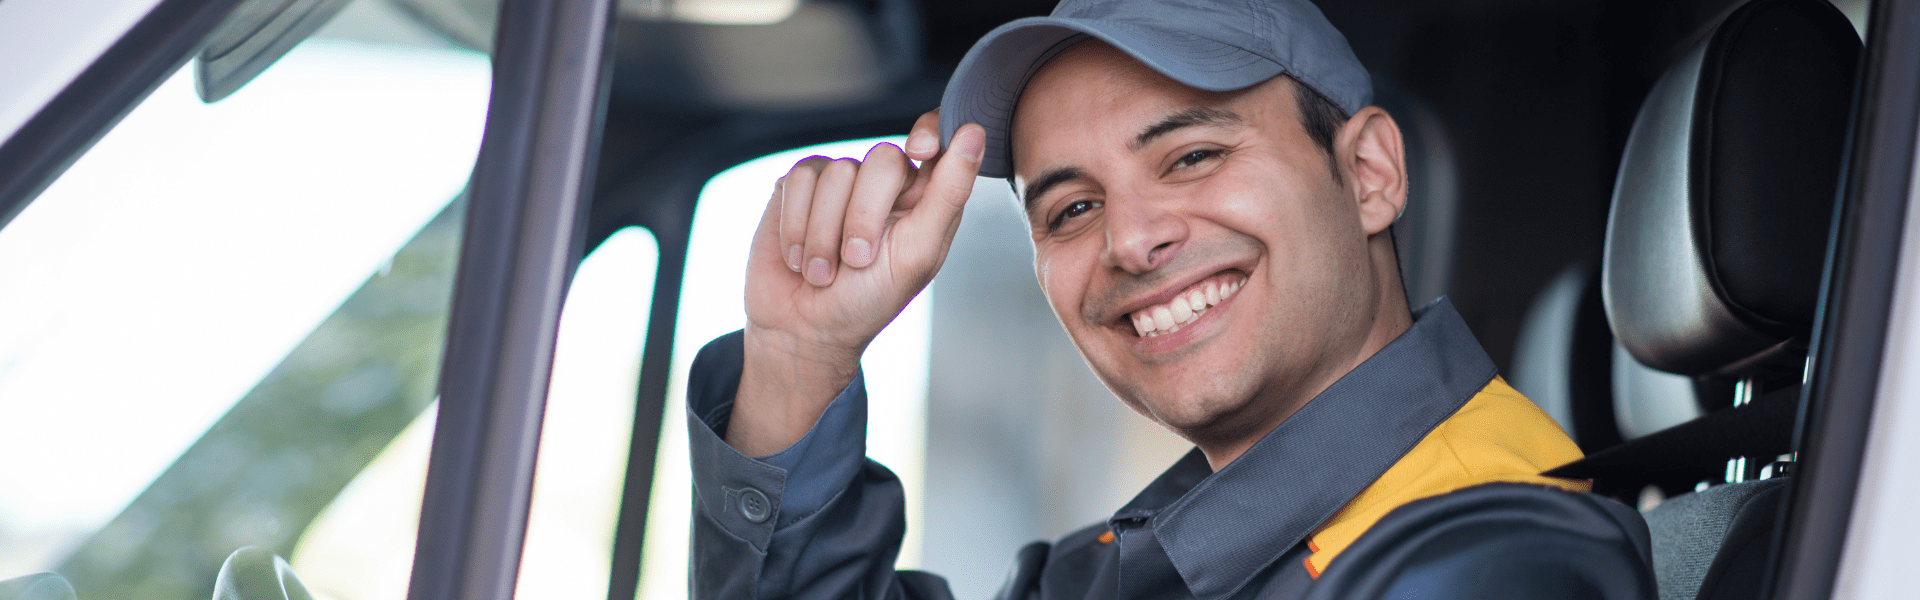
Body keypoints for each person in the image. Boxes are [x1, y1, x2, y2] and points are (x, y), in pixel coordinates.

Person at [684, 0, 1657, 597]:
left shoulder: (1482, 561)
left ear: (1368, 173)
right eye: (1071, 208)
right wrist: (801, 358)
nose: (1130, 240)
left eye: (1192, 156)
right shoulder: (1148, 561)